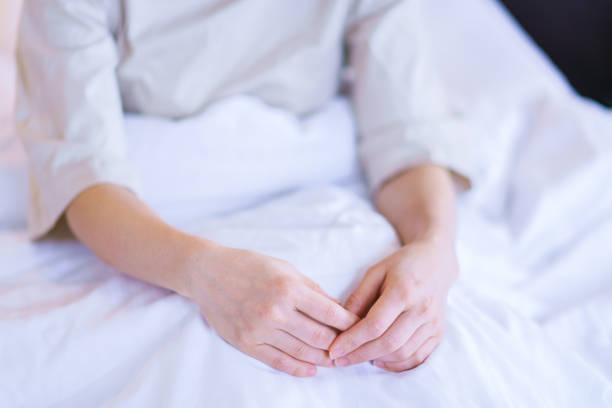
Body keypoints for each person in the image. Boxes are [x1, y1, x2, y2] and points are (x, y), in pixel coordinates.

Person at [16, 0, 477, 377]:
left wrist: (435, 253)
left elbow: (407, 138)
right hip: (153, 214)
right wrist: (203, 273)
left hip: (319, 178)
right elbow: (84, 181)